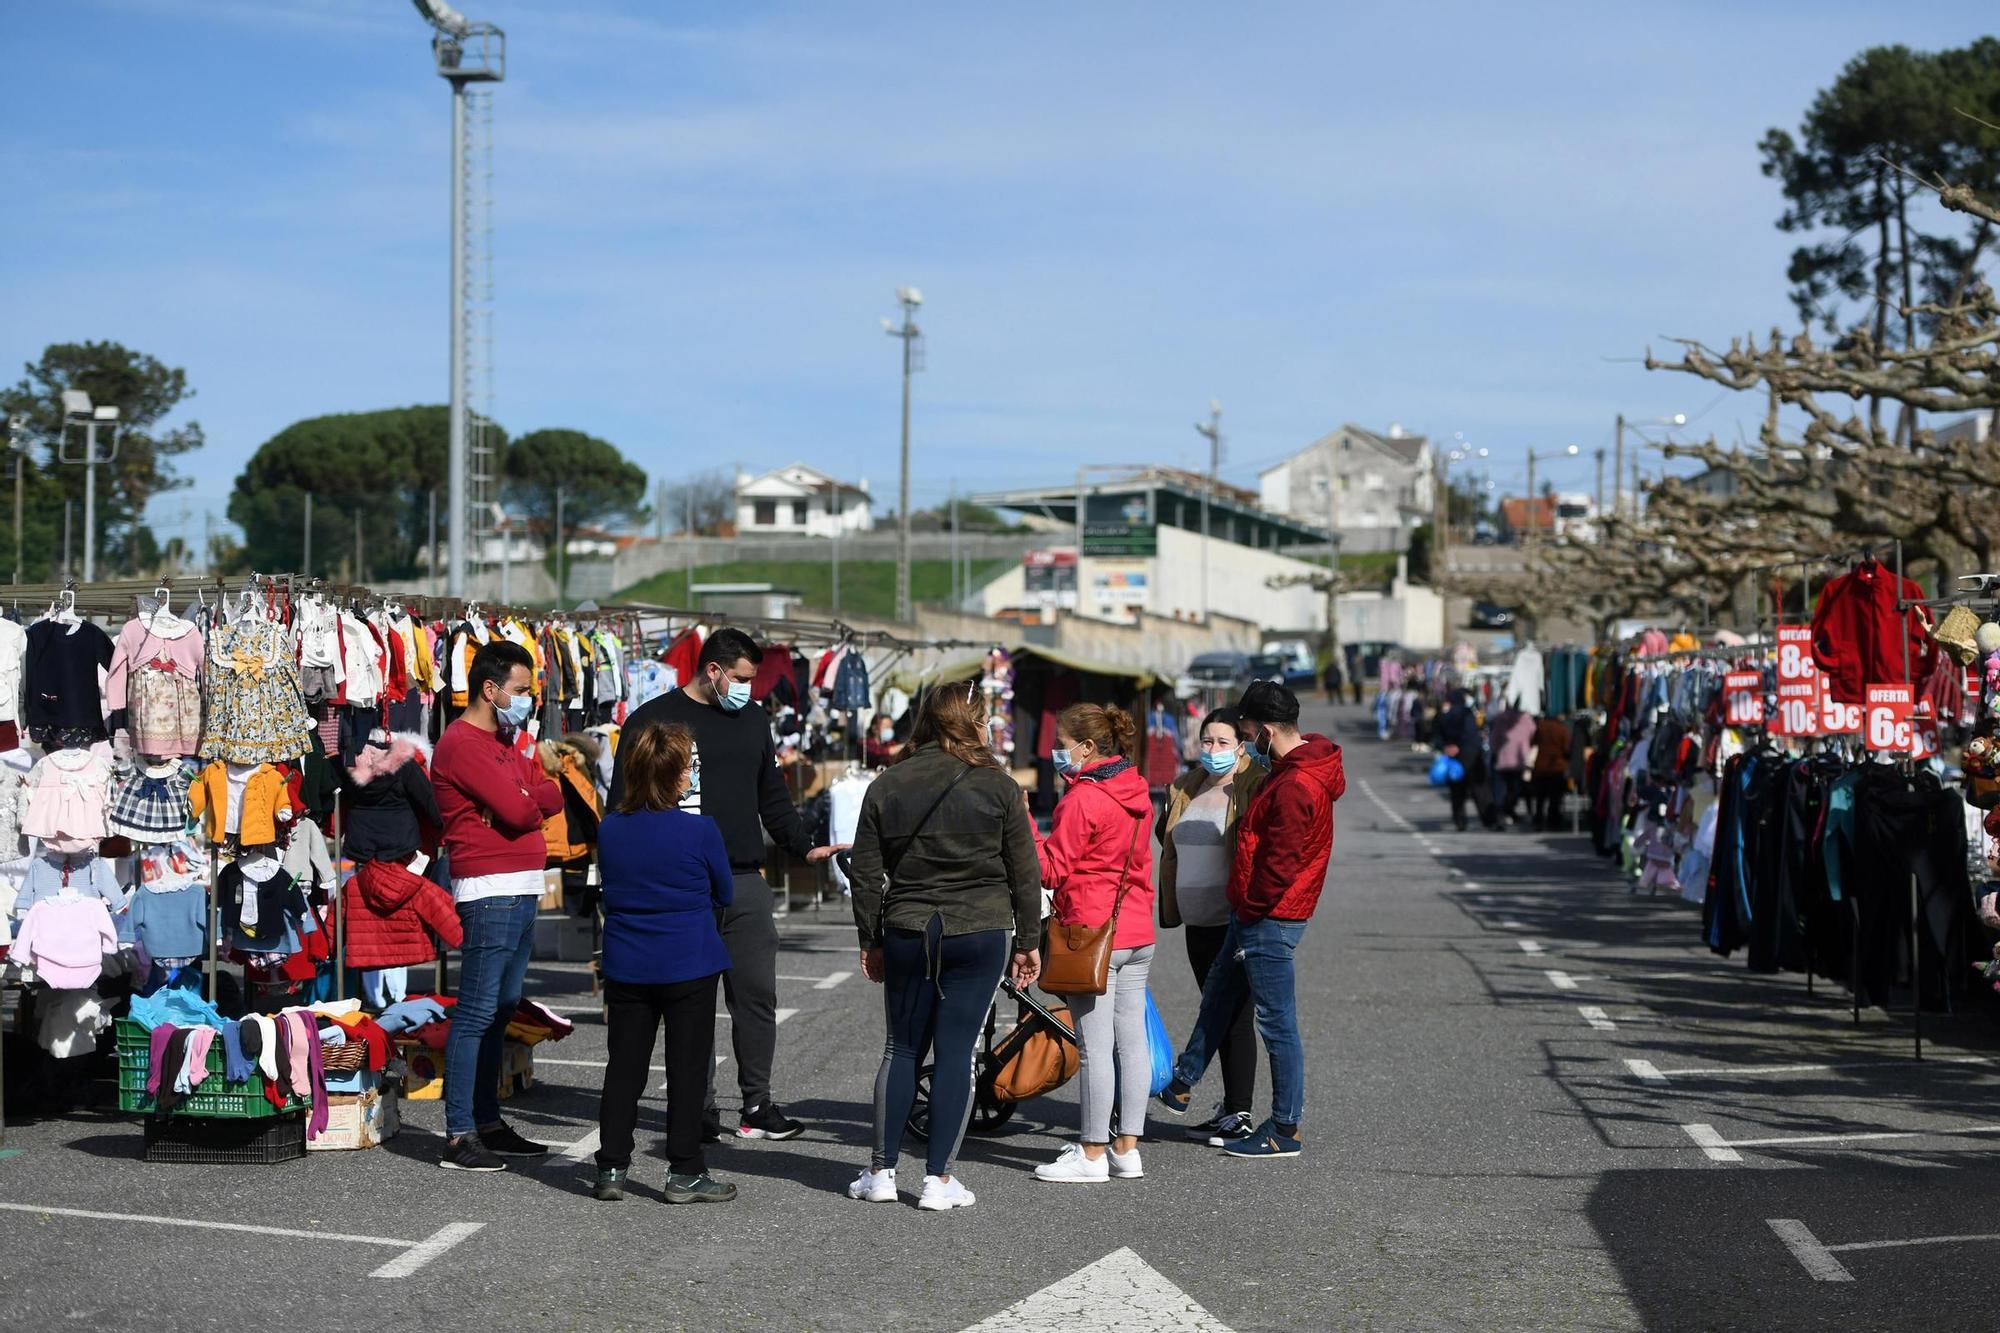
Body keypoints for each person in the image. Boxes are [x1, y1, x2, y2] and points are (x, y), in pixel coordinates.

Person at [609, 627, 844, 1143]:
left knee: (756, 995)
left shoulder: (753, 718)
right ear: (713, 670)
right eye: (740, 678)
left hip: (742, 879)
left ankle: (756, 1103)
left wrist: (803, 845)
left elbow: (772, 794)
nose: (749, 690)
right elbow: (622, 805)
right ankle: (699, 1108)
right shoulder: (653, 721)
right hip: (681, 885)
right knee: (691, 1004)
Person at [847, 682, 1042, 1212]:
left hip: (909, 926)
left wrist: (871, 938)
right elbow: (1025, 872)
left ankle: (882, 1171)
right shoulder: (997, 785)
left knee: (902, 1047)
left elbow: (865, 875)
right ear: (974, 721)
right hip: (980, 928)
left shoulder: (888, 783)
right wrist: (1029, 941)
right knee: (957, 1051)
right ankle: (938, 1180)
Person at [1158, 681, 1344, 1158]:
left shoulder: (1296, 784)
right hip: (1256, 913)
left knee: (1276, 1024)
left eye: (1242, 732)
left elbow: (1280, 863)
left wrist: (1252, 907)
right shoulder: (1289, 771)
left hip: (1270, 916)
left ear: (1262, 731)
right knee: (1219, 994)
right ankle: (1182, 1080)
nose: (1238, 743)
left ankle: (1284, 1128)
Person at [430, 640, 565, 1172]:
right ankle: (460, 1134)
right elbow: (519, 807)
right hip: (490, 890)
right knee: (478, 1011)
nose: (527, 701)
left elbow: (544, 795)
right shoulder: (462, 744)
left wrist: (528, 796)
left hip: (522, 884)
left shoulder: (507, 739)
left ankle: (486, 1121)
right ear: (490, 689)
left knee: (502, 1009)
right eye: (520, 691)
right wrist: (525, 798)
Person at [592, 722, 737, 1205]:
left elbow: (611, 893)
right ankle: (684, 1171)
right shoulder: (699, 829)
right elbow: (725, 892)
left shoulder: (610, 828)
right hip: (689, 960)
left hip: (629, 960)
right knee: (687, 1069)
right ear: (676, 775)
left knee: (625, 1068)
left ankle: (611, 1166)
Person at [1031, 702, 1157, 1183]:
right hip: (1136, 929)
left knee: (1095, 1049)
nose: (1056, 755)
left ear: (1086, 747)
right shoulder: (1137, 790)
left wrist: (1024, 828)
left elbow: (1051, 869)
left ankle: (1091, 1154)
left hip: (1090, 933)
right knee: (1131, 1043)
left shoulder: (1084, 798)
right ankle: (1127, 1147)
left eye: (1061, 746)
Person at [1154, 707, 1265, 1146]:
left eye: (1222, 742)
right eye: (1206, 741)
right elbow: (1170, 841)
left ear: (1241, 747)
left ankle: (1239, 1111)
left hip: (1232, 920)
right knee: (1216, 1010)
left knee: (1234, 1015)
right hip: (1194, 922)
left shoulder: (1251, 785)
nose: (1213, 750)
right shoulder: (1185, 787)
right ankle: (1229, 1107)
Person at [1433, 689, 1496, 832]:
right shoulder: (1469, 714)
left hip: (1453, 757)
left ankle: (1460, 822)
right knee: (1480, 790)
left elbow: (1437, 737)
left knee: (1457, 792)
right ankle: (1489, 820)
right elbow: (1472, 734)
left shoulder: (1444, 716)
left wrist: (1446, 747)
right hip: (1471, 756)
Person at [1487, 699, 1536, 827]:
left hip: (1503, 759)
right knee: (1516, 788)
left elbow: (1494, 739)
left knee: (1502, 789)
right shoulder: (1526, 719)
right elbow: (1533, 735)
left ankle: (1503, 812)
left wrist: (1496, 751)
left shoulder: (1501, 719)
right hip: (1520, 759)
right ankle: (1509, 810)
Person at [1527, 713, 1574, 831]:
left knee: (1540, 798)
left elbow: (1532, 742)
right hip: (1557, 767)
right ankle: (1553, 821)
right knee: (1555, 797)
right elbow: (1567, 749)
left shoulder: (1541, 727)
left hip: (1540, 766)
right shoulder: (1563, 729)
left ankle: (1538, 820)